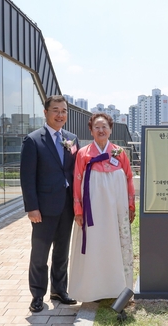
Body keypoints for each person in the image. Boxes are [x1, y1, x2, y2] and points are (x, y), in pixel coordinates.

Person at [20, 95, 80, 313]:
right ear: (46, 113)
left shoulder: (72, 139)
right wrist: (31, 207)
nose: (60, 115)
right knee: (40, 253)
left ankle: (59, 290)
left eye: (64, 111)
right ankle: (37, 295)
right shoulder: (33, 140)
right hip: (43, 208)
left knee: (62, 252)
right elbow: (27, 178)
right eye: (56, 110)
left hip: (67, 206)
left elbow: (76, 173)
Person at [68, 113, 136, 302]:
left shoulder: (119, 153)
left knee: (115, 241)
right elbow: (77, 181)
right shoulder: (83, 154)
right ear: (91, 130)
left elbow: (129, 178)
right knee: (94, 243)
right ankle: (94, 289)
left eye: (104, 126)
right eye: (97, 127)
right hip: (93, 208)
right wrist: (78, 210)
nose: (101, 130)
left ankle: (118, 288)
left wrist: (131, 205)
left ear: (110, 129)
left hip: (116, 206)